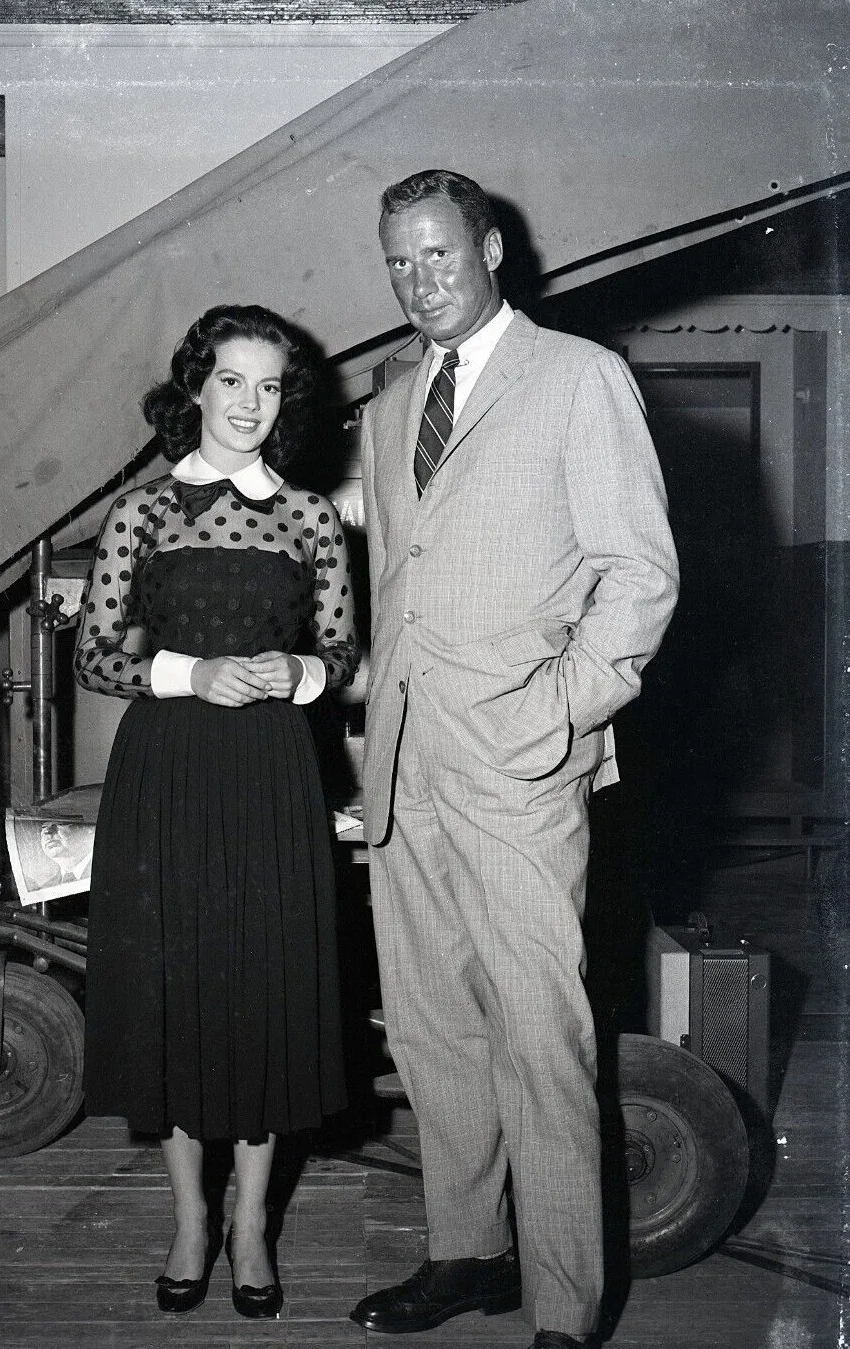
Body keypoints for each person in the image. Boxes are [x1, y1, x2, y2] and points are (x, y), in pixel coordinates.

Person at [351, 170, 679, 1349]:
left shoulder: (580, 378)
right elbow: (399, 583)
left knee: (541, 1033)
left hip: (521, 762)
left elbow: (639, 573)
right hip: (407, 766)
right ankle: (468, 1249)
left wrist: (561, 713)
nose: (419, 280)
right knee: (431, 1025)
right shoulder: (391, 403)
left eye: (439, 253)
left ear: (490, 249)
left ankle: (566, 1301)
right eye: (399, 261)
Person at [74, 304, 358, 1320]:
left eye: (269, 386)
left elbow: (343, 654)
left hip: (274, 774)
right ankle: (192, 1218)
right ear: (194, 387)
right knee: (180, 992)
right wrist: (192, 673)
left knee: (265, 988)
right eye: (231, 380)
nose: (248, 403)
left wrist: (299, 673)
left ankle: (251, 1226)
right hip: (169, 774)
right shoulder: (142, 513)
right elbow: (94, 655)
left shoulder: (311, 517)